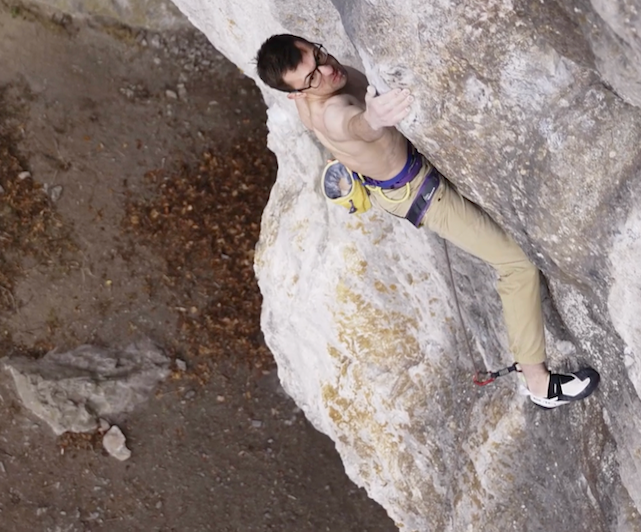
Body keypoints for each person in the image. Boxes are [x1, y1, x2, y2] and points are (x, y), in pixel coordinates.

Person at [255, 34, 597, 409]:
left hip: (398, 169)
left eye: (317, 54)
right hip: (419, 192)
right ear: (296, 95)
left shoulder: (310, 91)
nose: (327, 69)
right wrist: (373, 119)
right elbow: (354, 126)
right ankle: (539, 383)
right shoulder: (332, 111)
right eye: (313, 76)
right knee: (516, 265)